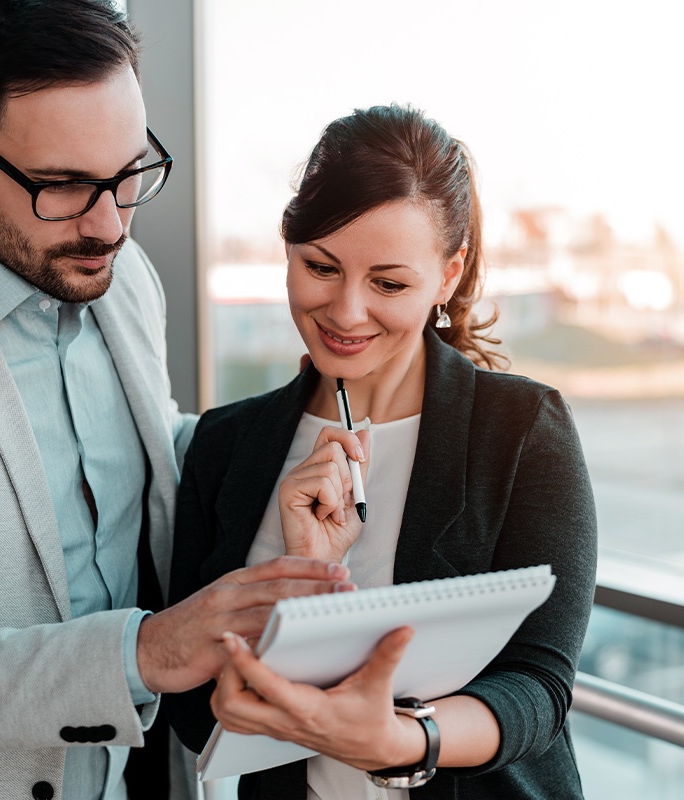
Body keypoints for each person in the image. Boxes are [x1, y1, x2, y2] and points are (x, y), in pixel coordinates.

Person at [0, 2, 352, 799]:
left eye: (128, 174)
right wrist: (145, 653)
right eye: (63, 186)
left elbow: (145, 453)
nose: (109, 224)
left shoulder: (120, 280)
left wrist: (289, 449)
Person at [164, 104, 598, 799]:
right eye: (321, 267)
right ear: (288, 248)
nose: (346, 312)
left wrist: (401, 740)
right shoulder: (224, 447)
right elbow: (190, 711)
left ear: (447, 276)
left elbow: (540, 688)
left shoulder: (520, 430)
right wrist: (303, 576)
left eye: (389, 284)